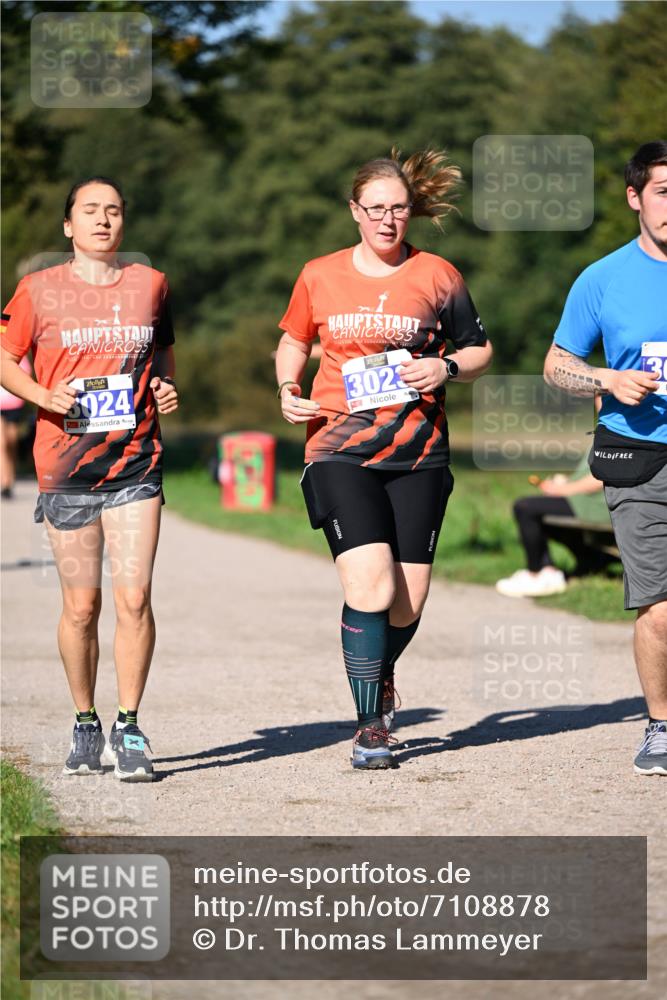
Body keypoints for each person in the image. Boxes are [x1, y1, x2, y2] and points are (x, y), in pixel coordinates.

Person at [276, 149, 492, 770]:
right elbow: (294, 341)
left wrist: (445, 365)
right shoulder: (319, 274)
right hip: (339, 447)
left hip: (420, 453)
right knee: (369, 584)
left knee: (407, 602)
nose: (388, 220)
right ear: (355, 211)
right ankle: (371, 726)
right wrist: (289, 388)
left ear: (410, 212)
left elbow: (478, 349)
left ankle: (380, 668)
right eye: (376, 209)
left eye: (398, 208)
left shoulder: (438, 275)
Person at [0, 176, 178, 782]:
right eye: (90, 211)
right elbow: (3, 356)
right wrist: (40, 393)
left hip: (135, 459)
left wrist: (163, 383)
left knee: (134, 597)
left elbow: (162, 350)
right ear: (69, 226)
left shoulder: (149, 284)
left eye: (115, 211)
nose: (104, 220)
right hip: (65, 464)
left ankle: (129, 727)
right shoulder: (37, 290)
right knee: (83, 606)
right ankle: (85, 720)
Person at [543, 140, 667, 776]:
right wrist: (607, 382)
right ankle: (661, 726)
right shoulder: (602, 278)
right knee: (661, 604)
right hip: (638, 452)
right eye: (664, 192)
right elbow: (556, 365)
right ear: (635, 197)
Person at [0, 356, 31, 498]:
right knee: (2, 443)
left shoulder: (16, 352)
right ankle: (4, 483)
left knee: (12, 442)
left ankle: (10, 478)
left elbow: (25, 373)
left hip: (13, 404)